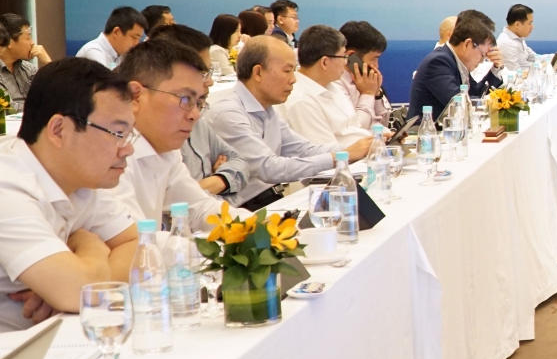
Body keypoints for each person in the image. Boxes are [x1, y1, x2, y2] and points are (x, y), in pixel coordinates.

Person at [0, 59, 139, 330]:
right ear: (58, 130)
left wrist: (80, 284)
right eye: (117, 133)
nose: (127, 149)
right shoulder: (7, 186)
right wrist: (90, 245)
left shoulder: (80, 180)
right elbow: (77, 293)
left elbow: (139, 246)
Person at [205, 36, 373, 210]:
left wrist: (363, 147)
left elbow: (305, 149)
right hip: (244, 208)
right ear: (258, 72)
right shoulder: (229, 114)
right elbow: (269, 168)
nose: (293, 79)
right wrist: (342, 156)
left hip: (272, 199)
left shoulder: (266, 109)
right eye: (287, 71)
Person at [105, 39, 231, 231]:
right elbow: (133, 239)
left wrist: (253, 226)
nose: (195, 115)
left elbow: (199, 208)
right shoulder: (107, 153)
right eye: (185, 99)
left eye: (198, 102)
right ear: (136, 96)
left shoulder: (165, 149)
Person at [148, 24, 250, 202]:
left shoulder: (196, 119)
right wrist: (203, 189)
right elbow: (173, 202)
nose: (210, 82)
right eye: (202, 73)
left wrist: (218, 180)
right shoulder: (148, 138)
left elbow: (239, 162)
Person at [277, 25, 373, 149]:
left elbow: (352, 129)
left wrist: (377, 138)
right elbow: (326, 153)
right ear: (325, 62)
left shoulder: (332, 86)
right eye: (343, 57)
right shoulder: (301, 101)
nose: (346, 62)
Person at [409, 12, 508, 117]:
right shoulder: (438, 62)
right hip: (428, 127)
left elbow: (476, 93)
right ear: (467, 44)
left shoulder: (456, 61)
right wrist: (493, 102)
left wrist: (496, 68)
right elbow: (458, 103)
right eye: (482, 55)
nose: (481, 61)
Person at [337, 20, 391, 129]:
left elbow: (384, 124)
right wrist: (368, 94)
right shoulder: (336, 84)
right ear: (351, 56)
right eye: (374, 58)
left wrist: (377, 94)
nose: (376, 65)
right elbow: (355, 129)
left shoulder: (367, 81)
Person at [0, 13, 53, 110]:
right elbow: (7, 108)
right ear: (8, 41)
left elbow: (54, 96)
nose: (32, 43)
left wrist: (49, 64)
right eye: (28, 38)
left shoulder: (28, 69)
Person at [76, 6, 148, 67]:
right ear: (116, 32)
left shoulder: (120, 54)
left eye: (139, 39)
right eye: (134, 37)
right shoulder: (93, 51)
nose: (136, 43)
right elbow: (107, 79)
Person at [497, 4, 539, 71]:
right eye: (529, 23)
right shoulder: (506, 43)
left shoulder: (518, 38)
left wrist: (554, 57)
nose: (532, 27)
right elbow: (514, 72)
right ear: (517, 24)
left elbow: (534, 57)